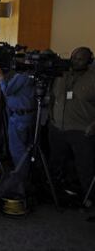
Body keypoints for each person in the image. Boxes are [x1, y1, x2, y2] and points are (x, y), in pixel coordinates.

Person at [49, 47, 95, 204]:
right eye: (74, 57)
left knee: (84, 167)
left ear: (89, 60)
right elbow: (53, 95)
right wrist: (51, 118)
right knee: (57, 163)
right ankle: (58, 193)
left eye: (80, 58)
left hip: (82, 130)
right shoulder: (62, 75)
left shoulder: (93, 78)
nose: (75, 61)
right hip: (58, 128)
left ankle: (89, 198)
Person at [0, 65, 36, 197]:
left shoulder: (21, 77)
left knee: (18, 151)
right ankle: (22, 179)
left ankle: (19, 182)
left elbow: (7, 91)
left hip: (19, 117)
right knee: (23, 150)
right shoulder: (30, 76)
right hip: (26, 116)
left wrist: (0, 77)